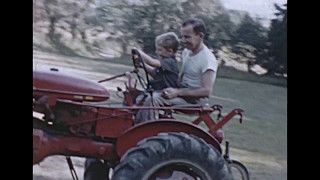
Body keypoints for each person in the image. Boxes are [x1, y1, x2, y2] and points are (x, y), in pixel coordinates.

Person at [83, 32, 180, 180]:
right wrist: (142, 65)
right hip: (154, 92)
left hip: (162, 95)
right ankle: (126, 123)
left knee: (147, 101)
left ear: (170, 52)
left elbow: (154, 63)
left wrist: (140, 53)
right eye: (157, 50)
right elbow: (154, 71)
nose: (158, 53)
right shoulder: (164, 63)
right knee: (134, 95)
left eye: (160, 50)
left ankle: (144, 129)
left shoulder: (171, 62)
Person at [135, 17, 218, 123]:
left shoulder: (207, 59)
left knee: (152, 99)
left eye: (187, 37)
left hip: (194, 101)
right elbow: (180, 78)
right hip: (182, 94)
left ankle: (143, 132)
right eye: (182, 37)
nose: (183, 41)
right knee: (140, 95)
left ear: (200, 36)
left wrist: (178, 92)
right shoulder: (186, 52)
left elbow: (206, 91)